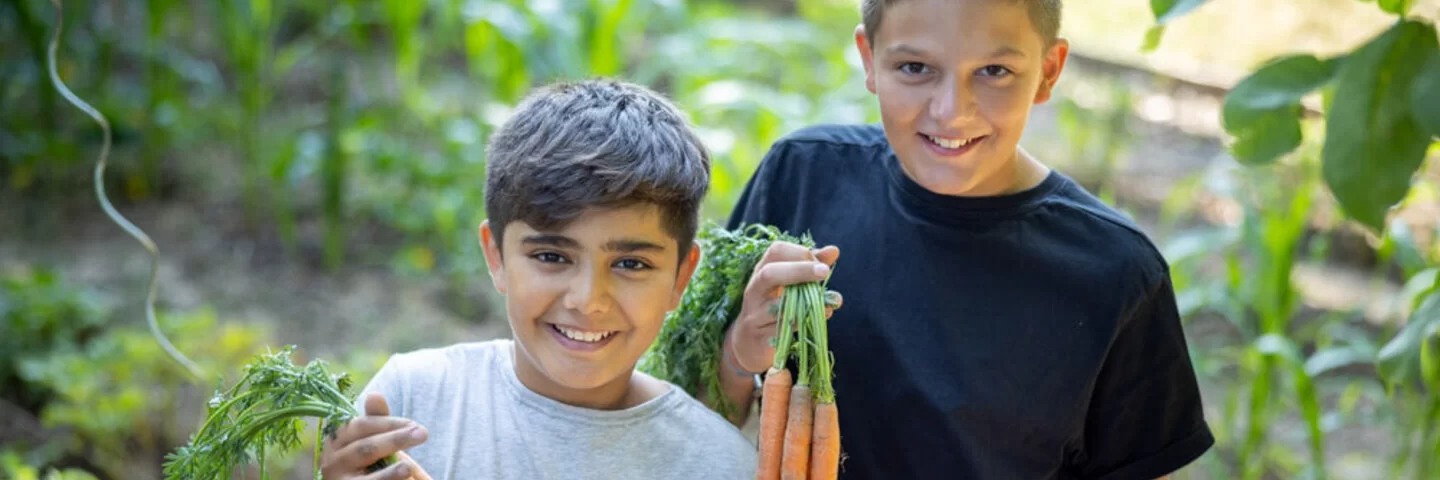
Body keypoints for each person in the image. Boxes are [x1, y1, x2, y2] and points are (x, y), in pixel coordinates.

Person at [709, 0, 1215, 478]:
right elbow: (685, 408)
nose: (951, 111)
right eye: (915, 68)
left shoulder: (1117, 273)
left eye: (994, 72)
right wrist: (736, 356)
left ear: (1048, 71)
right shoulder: (801, 176)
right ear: (869, 58)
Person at [318, 78, 758, 480]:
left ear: (680, 276)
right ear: (496, 255)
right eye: (552, 256)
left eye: (630, 264)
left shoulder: (719, 463)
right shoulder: (412, 401)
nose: (588, 301)